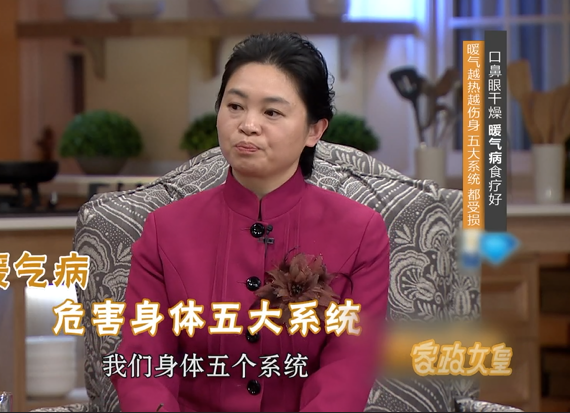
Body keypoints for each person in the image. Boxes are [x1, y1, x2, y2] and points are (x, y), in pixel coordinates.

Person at [111, 32, 391, 412]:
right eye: (235, 106)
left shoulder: (360, 231)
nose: (248, 125)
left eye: (271, 112)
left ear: (314, 130)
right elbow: (142, 363)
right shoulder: (165, 230)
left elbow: (349, 367)